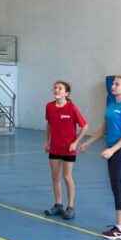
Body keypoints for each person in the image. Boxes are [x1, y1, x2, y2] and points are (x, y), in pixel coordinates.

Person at [80, 75, 121, 240]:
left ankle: (120, 228)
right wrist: (89, 142)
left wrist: (112, 150)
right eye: (113, 83)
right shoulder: (111, 105)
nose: (113, 86)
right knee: (118, 187)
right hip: (114, 151)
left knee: (118, 188)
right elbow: (103, 129)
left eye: (117, 84)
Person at [43, 81, 88, 220]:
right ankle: (58, 205)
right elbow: (49, 125)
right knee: (55, 177)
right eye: (55, 88)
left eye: (60, 88)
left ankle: (70, 207)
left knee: (67, 177)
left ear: (66, 93)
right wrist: (47, 141)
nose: (56, 90)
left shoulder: (72, 108)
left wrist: (75, 142)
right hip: (54, 147)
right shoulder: (49, 107)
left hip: (68, 149)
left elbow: (85, 126)